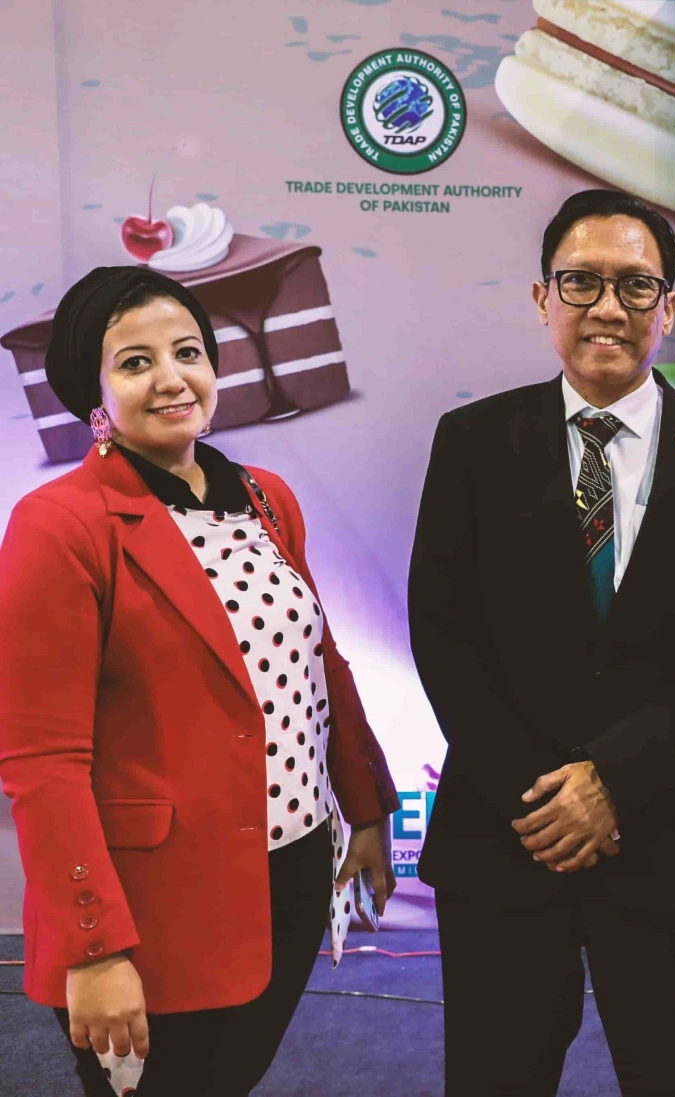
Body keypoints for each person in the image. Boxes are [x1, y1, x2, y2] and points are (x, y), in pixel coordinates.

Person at [409, 188, 675, 1097]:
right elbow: (443, 631)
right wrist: (543, 796)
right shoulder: (473, 442)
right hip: (508, 830)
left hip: (667, 836)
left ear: (670, 307)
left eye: (635, 285)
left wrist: (615, 780)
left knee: (670, 1075)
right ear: (543, 299)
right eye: (581, 282)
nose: (607, 307)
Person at [0, 267, 399, 1096]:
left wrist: (363, 809)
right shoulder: (59, 524)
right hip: (153, 903)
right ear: (91, 392)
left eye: (187, 352)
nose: (172, 378)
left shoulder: (265, 497)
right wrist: (95, 947)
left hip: (290, 870)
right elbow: (42, 759)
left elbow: (317, 663)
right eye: (135, 361)